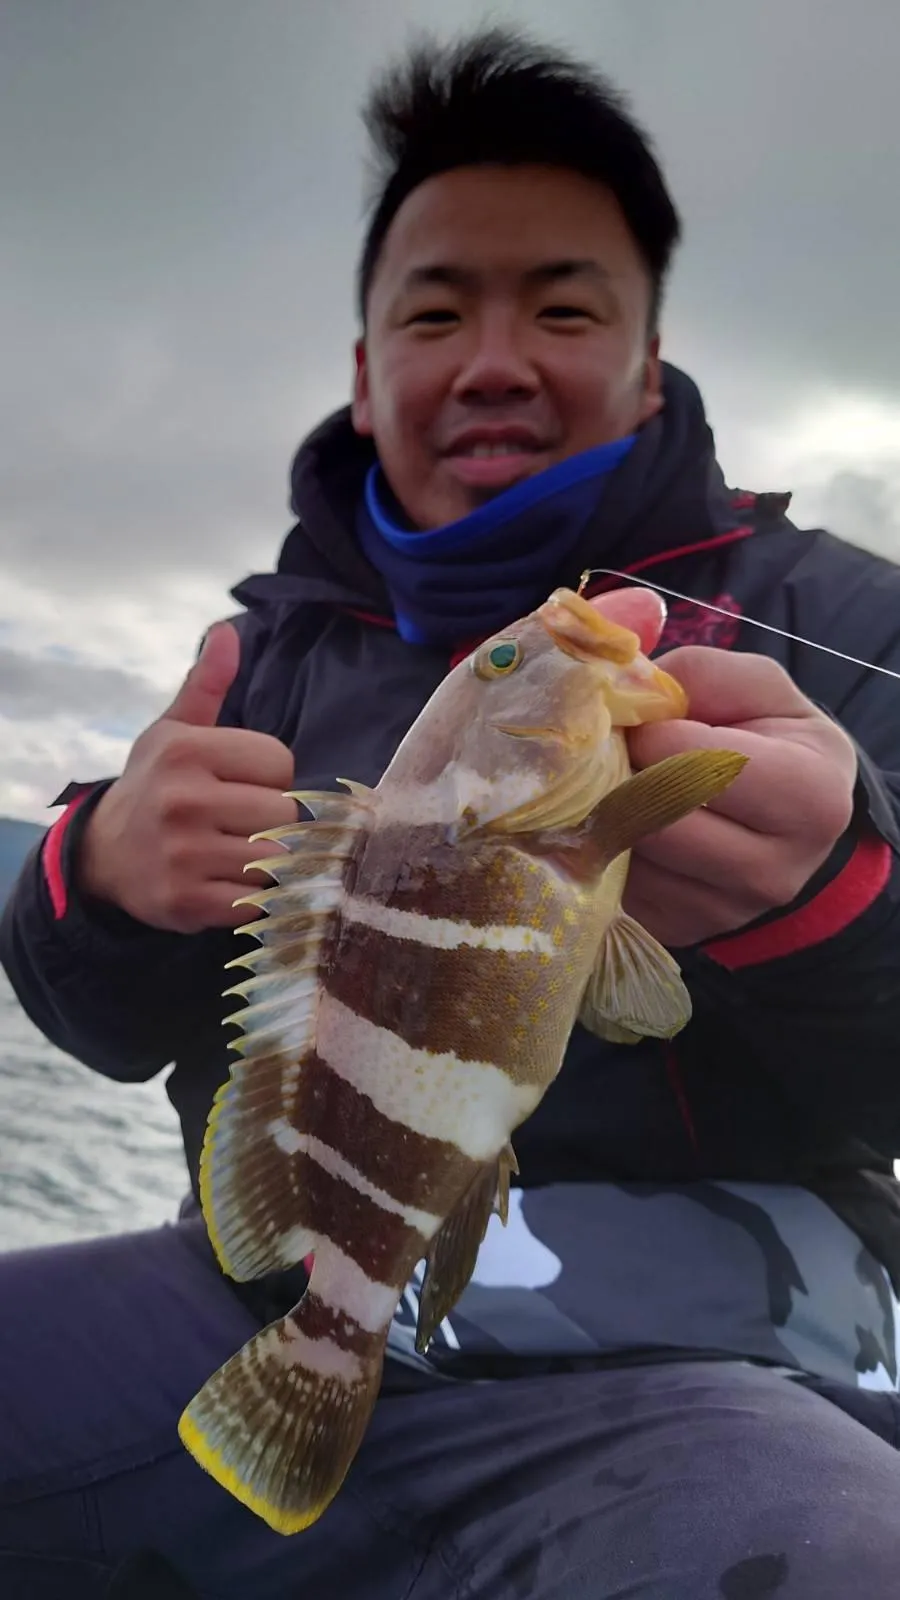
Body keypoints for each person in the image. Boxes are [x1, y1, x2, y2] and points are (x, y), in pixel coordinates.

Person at [3, 25, 900, 1600]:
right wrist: (92, 880)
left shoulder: (850, 623)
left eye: (563, 304)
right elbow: (107, 1024)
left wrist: (837, 910)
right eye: (435, 310)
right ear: (366, 365)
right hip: (269, 1300)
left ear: (651, 345)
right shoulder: (263, 647)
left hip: (726, 1391)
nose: (495, 357)